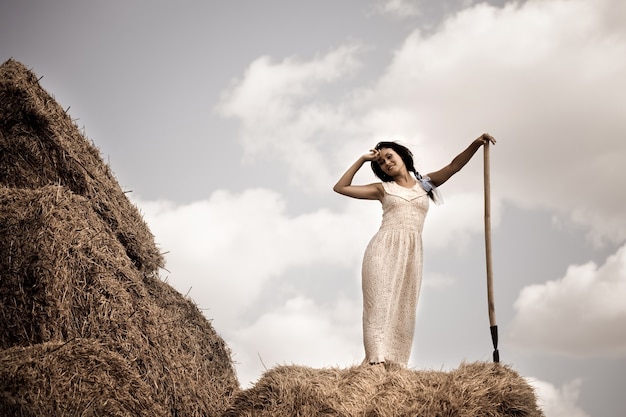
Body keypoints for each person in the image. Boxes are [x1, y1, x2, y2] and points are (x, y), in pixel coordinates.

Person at [333, 133, 496, 367]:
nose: (386, 163)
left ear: (402, 156)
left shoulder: (425, 184)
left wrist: (476, 144)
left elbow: (454, 166)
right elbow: (341, 187)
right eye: (381, 163)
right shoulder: (382, 189)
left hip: (412, 253)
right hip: (383, 249)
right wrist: (362, 160)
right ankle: (375, 363)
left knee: (404, 308)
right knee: (378, 305)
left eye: (389, 157)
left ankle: (395, 365)